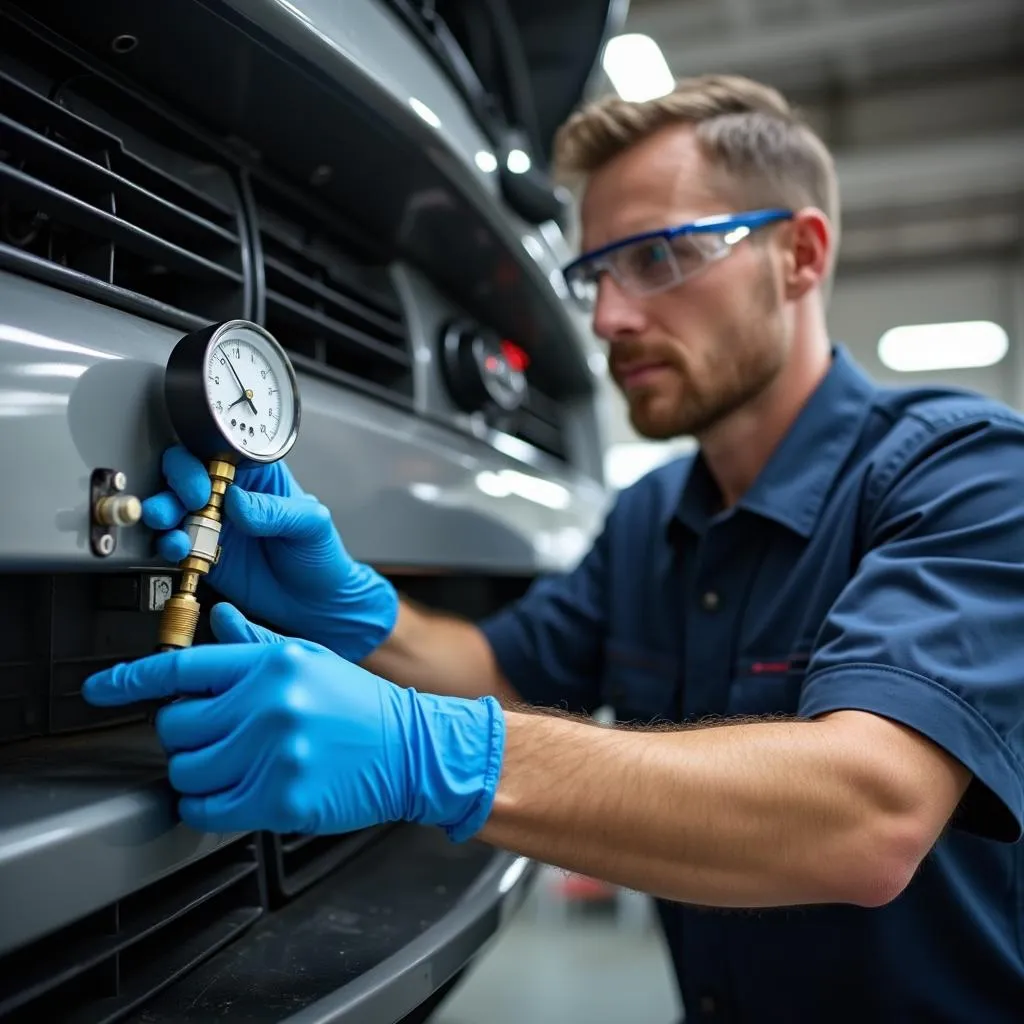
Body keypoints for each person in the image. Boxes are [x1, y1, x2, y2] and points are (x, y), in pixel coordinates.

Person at [83, 74, 1024, 1021]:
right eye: (595, 277)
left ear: (800, 256)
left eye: (658, 257)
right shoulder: (653, 516)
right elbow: (501, 669)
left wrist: (427, 753)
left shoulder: (965, 471)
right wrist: (356, 608)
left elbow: (871, 818)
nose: (611, 318)